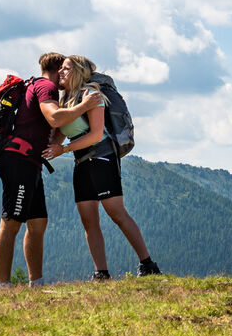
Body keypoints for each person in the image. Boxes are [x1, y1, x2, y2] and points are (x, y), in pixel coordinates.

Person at [44, 55, 160, 280]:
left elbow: (96, 135)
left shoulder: (91, 94)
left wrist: (64, 151)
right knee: (89, 220)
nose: (61, 73)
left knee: (116, 213)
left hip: (102, 159)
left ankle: (148, 264)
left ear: (78, 71)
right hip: (82, 162)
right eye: (60, 70)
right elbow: (56, 138)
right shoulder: (67, 100)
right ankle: (101, 273)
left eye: (66, 69)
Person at [0, 51, 102, 287]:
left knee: (38, 222)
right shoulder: (46, 87)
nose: (65, 74)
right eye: (63, 69)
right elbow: (54, 118)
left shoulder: (34, 84)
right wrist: (85, 106)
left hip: (28, 162)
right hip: (20, 161)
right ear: (56, 69)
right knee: (11, 222)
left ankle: (37, 283)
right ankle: (3, 287)